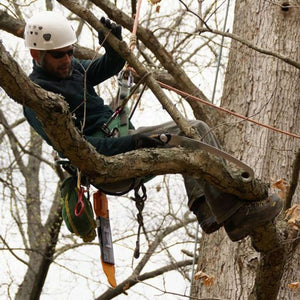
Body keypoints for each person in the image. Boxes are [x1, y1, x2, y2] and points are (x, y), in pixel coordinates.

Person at [23, 11, 282, 242]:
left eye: (70, 51)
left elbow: (109, 66)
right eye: (59, 55)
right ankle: (235, 217)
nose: (67, 59)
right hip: (104, 165)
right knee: (191, 132)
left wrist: (113, 44)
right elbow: (83, 149)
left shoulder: (74, 70)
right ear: (36, 54)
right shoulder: (38, 98)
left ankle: (207, 209)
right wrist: (134, 142)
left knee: (195, 132)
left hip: (124, 142)